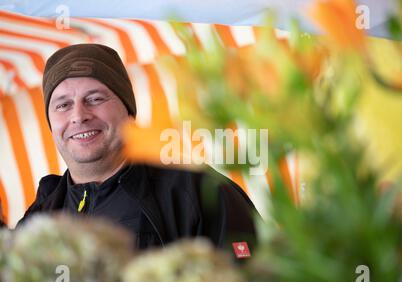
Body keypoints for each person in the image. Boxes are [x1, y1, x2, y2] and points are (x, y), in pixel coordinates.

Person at [16, 43, 258, 253]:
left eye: (95, 99)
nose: (79, 116)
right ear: (50, 122)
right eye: (63, 105)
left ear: (128, 111)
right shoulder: (38, 219)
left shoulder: (199, 191)